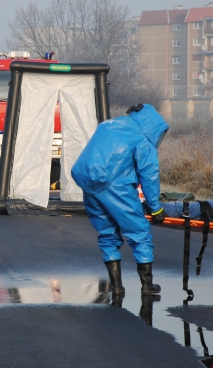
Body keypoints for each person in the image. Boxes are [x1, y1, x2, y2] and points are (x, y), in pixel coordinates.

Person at [71, 103, 168, 297]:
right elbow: (149, 175)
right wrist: (155, 208)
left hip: (89, 183)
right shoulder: (142, 139)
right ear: (153, 126)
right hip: (115, 186)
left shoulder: (108, 125)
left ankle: (116, 287)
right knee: (139, 232)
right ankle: (147, 286)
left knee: (107, 234)